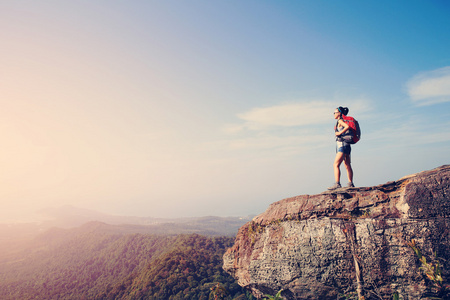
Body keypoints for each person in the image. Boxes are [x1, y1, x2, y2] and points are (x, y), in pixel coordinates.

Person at [328, 107, 354, 190]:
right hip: (347, 145)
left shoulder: (340, 121)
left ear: (339, 113)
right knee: (347, 164)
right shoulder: (342, 120)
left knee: (336, 164)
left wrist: (339, 132)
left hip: (342, 145)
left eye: (335, 112)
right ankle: (350, 183)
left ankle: (337, 183)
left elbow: (347, 127)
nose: (334, 114)